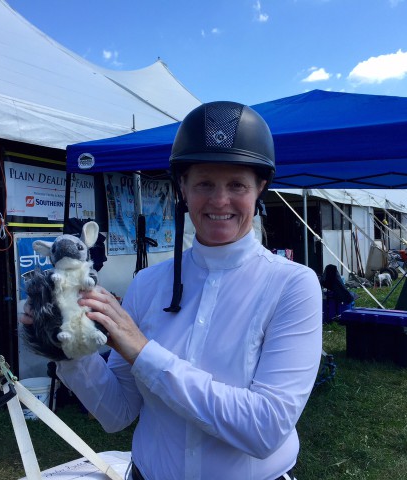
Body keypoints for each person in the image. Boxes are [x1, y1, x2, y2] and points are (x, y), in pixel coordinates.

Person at [23, 101, 323, 479]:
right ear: (182, 187)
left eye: (236, 185)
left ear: (260, 187)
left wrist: (143, 351)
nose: (219, 201)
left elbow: (264, 429)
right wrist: (68, 349)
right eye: (204, 184)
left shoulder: (293, 284)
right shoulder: (148, 284)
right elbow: (118, 413)